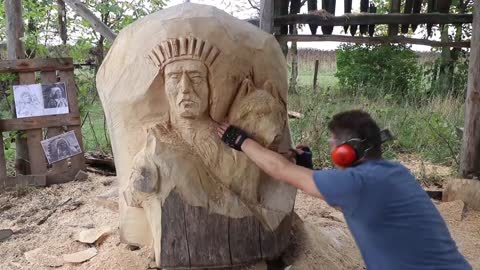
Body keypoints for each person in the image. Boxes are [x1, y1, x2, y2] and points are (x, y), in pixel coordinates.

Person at [217, 109, 472, 270]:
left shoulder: (356, 184)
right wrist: (309, 168)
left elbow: (281, 170)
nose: (332, 148)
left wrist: (240, 140)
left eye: (334, 143)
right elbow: (345, 203)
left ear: (347, 150)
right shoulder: (395, 173)